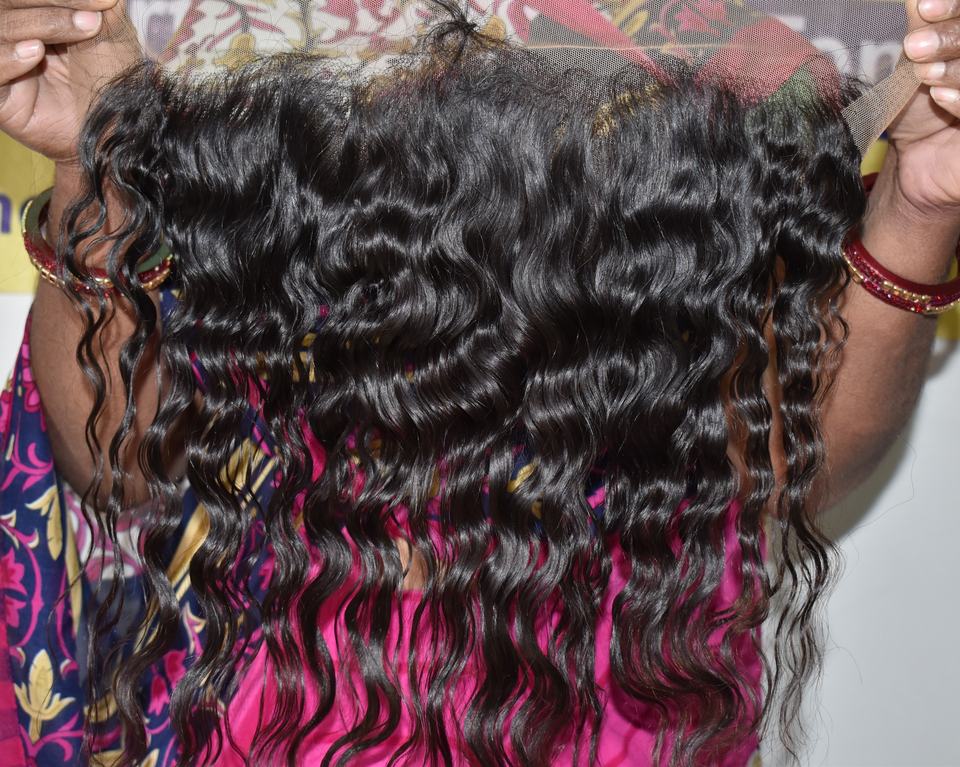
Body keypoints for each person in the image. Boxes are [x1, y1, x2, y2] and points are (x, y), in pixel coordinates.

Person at [1, 1, 959, 766]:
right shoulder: (232, 41)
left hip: (619, 686)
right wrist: (97, 160)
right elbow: (132, 465)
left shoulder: (735, 54)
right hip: (290, 688)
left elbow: (777, 463)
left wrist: (919, 203)